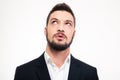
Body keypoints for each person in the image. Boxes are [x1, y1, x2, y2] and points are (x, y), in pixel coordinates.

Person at [14, 3, 99, 80]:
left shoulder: (89, 74)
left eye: (68, 23)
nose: (61, 28)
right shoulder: (23, 73)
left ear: (74, 33)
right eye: (54, 22)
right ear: (45, 31)